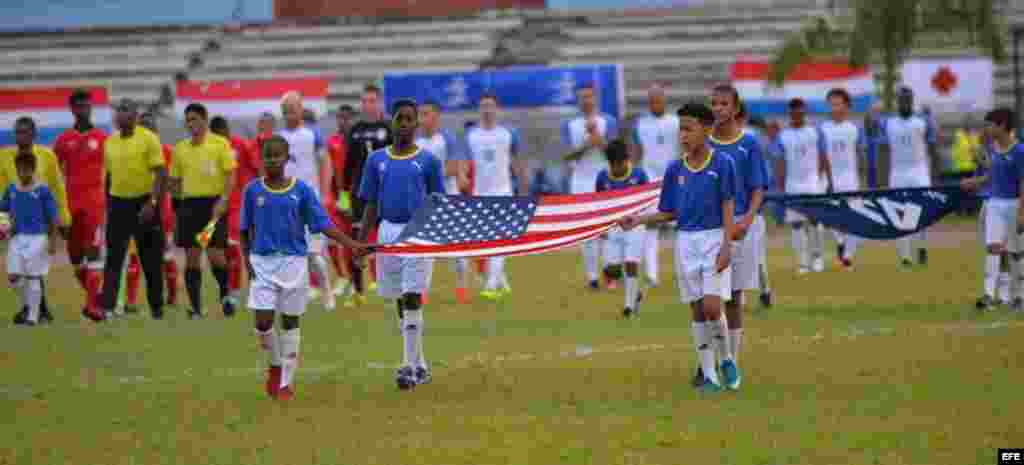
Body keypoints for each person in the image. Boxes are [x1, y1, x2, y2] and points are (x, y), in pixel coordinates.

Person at [619, 102, 736, 393]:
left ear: (707, 130)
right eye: (680, 129)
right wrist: (639, 219)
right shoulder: (675, 170)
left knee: (712, 307)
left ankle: (727, 358)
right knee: (697, 310)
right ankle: (708, 376)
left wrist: (727, 244)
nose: (683, 135)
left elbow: (728, 205)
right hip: (685, 242)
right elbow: (670, 211)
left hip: (714, 239)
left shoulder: (723, 165)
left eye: (689, 128)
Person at [242, 135, 369, 401]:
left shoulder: (301, 191)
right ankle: (275, 364)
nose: (272, 160)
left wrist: (352, 243)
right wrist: (247, 261)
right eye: (268, 155)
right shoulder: (253, 191)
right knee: (263, 323)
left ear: (287, 159)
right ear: (261, 159)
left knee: (290, 321)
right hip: (262, 263)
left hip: (294, 263)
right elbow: (245, 229)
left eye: (278, 155)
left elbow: (322, 224)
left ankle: (286, 382)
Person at [358, 99, 445, 390]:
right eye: (400, 118)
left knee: (411, 296)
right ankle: (420, 364)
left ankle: (407, 367)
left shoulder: (429, 161)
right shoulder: (376, 160)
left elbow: (439, 202)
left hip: (417, 232)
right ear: (391, 122)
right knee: (399, 298)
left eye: (410, 119)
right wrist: (362, 240)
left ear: (417, 124)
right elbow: (370, 202)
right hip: (387, 232)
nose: (405, 123)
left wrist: (439, 235)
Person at [707, 84, 767, 388]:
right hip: (711, 230)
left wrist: (748, 218)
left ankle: (731, 362)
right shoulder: (703, 144)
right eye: (714, 104)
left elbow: (759, 187)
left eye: (723, 104)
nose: (718, 109)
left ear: (735, 108)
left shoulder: (749, 144)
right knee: (709, 300)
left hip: (743, 229)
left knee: (734, 298)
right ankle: (710, 363)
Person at [100, 98, 168, 320]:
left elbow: (160, 173)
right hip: (118, 204)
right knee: (113, 259)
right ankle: (108, 308)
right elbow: (109, 176)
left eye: (125, 110)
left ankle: (157, 308)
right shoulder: (109, 142)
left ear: (135, 115)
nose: (119, 114)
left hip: (144, 203)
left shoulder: (148, 139)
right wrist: (108, 205)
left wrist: (153, 203)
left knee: (150, 260)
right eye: (118, 110)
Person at [169, 104, 237, 319]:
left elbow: (230, 175)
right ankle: (196, 307)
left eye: (195, 119)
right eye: (188, 120)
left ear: (204, 120)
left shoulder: (219, 144)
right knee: (192, 257)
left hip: (212, 206)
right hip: (189, 207)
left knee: (216, 255)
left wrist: (224, 199)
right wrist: (177, 202)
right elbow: (174, 180)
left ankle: (225, 294)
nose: (191, 124)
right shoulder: (180, 148)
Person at [2, 117, 70, 325]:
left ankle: (35, 311)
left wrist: (63, 219)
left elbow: (58, 189)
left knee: (33, 272)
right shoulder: (4, 156)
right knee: (17, 272)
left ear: (33, 134)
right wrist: (4, 221)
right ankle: (35, 309)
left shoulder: (47, 156)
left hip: (39, 225)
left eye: (24, 132)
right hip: (15, 225)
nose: (20, 136)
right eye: (17, 132)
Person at [463, 93, 528, 300]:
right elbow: (464, 163)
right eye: (483, 106)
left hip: (503, 191)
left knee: (500, 239)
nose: (487, 110)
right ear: (479, 109)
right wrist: (463, 181)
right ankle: (501, 280)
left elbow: (517, 162)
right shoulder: (471, 136)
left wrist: (523, 189)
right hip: (480, 193)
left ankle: (491, 285)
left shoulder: (509, 134)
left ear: (497, 109)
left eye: (491, 106)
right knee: (484, 240)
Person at [961, 108, 1024, 310]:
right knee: (993, 247)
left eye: (991, 125)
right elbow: (993, 177)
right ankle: (988, 295)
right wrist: (974, 181)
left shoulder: (1019, 151)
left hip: (1013, 204)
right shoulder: (994, 148)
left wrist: (1022, 212)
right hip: (995, 203)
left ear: (1003, 126)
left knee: (1016, 252)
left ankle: (1019, 296)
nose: (987, 129)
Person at [278, 92, 334, 310]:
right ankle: (294, 295)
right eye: (286, 110)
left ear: (301, 109)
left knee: (313, 254)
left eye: (293, 109)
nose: (289, 114)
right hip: (284, 203)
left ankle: (326, 289)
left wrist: (326, 192)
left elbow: (325, 163)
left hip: (309, 201)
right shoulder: (279, 138)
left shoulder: (313, 135)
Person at [53, 88, 106, 321]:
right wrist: (56, 211)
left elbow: (113, 171)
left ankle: (92, 307)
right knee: (76, 260)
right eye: (79, 106)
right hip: (70, 205)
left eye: (87, 105)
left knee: (93, 253)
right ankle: (99, 299)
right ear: (72, 109)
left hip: (95, 204)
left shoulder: (103, 139)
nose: (84, 109)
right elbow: (54, 174)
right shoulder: (64, 140)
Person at [561, 82, 618, 290]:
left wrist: (598, 139)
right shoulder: (571, 125)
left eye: (589, 97)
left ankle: (610, 275)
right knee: (588, 232)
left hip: (604, 179)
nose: (586, 101)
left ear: (595, 98)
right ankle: (592, 278)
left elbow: (615, 154)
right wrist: (586, 144)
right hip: (581, 181)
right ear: (578, 100)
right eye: (582, 97)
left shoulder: (608, 122)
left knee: (610, 229)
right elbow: (566, 155)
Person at [415, 100, 471, 303]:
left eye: (425, 114)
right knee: (425, 249)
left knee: (457, 249)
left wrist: (432, 175)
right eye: (420, 114)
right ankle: (423, 292)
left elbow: (454, 168)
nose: (421, 119)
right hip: (426, 202)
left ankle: (461, 286)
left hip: (449, 199)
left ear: (436, 117)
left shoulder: (446, 138)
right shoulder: (415, 143)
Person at [124, 112, 179, 312]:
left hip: (157, 211)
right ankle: (163, 298)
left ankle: (168, 298)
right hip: (147, 210)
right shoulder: (162, 151)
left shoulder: (164, 152)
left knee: (155, 255)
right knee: (144, 255)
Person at [879, 86, 937, 268]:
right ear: (898, 101)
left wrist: (933, 175)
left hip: (919, 171)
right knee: (900, 215)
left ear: (912, 101)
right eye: (901, 99)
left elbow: (932, 148)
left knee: (922, 212)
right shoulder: (888, 123)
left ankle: (922, 248)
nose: (904, 102)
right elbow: (884, 151)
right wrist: (882, 179)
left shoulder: (923, 121)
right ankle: (905, 257)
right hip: (898, 173)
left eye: (907, 99)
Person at [344, 83, 392, 305]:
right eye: (364, 101)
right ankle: (358, 291)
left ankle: (391, 287)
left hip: (385, 193)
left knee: (388, 239)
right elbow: (348, 165)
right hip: (360, 194)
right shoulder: (355, 131)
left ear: (379, 102)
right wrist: (344, 193)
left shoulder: (389, 128)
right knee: (357, 241)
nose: (368, 105)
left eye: (372, 100)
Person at [1, 152, 59, 326]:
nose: (22, 173)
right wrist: (4, 225)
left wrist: (53, 240)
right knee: (13, 277)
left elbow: (53, 218)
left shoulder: (42, 190)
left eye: (26, 169)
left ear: (33, 170)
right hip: (16, 239)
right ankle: (29, 306)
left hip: (38, 239)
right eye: (19, 169)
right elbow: (3, 211)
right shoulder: (11, 189)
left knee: (33, 277)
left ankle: (33, 317)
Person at [776, 98, 833, 274]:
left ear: (804, 112)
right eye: (794, 112)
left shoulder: (815, 132)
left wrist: (828, 181)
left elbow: (824, 157)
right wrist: (780, 187)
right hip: (792, 185)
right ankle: (802, 262)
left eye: (800, 111)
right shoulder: (783, 136)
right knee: (797, 224)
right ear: (790, 114)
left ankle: (817, 258)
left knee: (815, 221)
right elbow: (780, 162)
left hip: (812, 183)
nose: (797, 115)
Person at [211, 115, 262, 310]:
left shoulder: (240, 145)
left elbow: (258, 169)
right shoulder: (211, 149)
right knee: (225, 249)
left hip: (240, 205)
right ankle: (234, 290)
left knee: (241, 248)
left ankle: (244, 291)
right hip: (219, 205)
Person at [631, 83, 679, 289]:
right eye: (651, 100)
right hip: (649, 182)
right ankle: (652, 275)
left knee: (680, 227)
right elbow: (636, 153)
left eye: (658, 100)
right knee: (650, 227)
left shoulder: (676, 123)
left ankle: (684, 271)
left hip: (673, 180)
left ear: (664, 100)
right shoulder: (640, 124)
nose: (654, 104)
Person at [597, 139, 649, 318]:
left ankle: (629, 307)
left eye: (622, 162)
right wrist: (601, 228)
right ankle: (636, 293)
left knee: (631, 262)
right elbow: (599, 204)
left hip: (634, 225)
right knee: (613, 270)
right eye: (615, 164)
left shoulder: (639, 175)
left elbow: (647, 199)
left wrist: (643, 219)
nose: (619, 167)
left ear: (626, 160)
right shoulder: (603, 177)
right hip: (613, 226)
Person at [818, 88, 866, 269]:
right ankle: (839, 242)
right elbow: (820, 155)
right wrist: (821, 179)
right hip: (828, 180)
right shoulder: (822, 129)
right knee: (826, 218)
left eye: (838, 104)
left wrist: (862, 177)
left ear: (847, 106)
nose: (834, 108)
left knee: (857, 220)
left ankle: (847, 256)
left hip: (850, 179)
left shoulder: (854, 129)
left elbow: (860, 154)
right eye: (831, 104)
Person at [326, 104, 356, 301]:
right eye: (340, 118)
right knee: (331, 239)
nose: (343, 122)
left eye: (346, 118)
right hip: (336, 195)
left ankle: (354, 280)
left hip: (355, 196)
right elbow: (328, 169)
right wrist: (332, 196)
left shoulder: (358, 141)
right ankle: (341, 276)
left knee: (351, 240)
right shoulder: (332, 141)